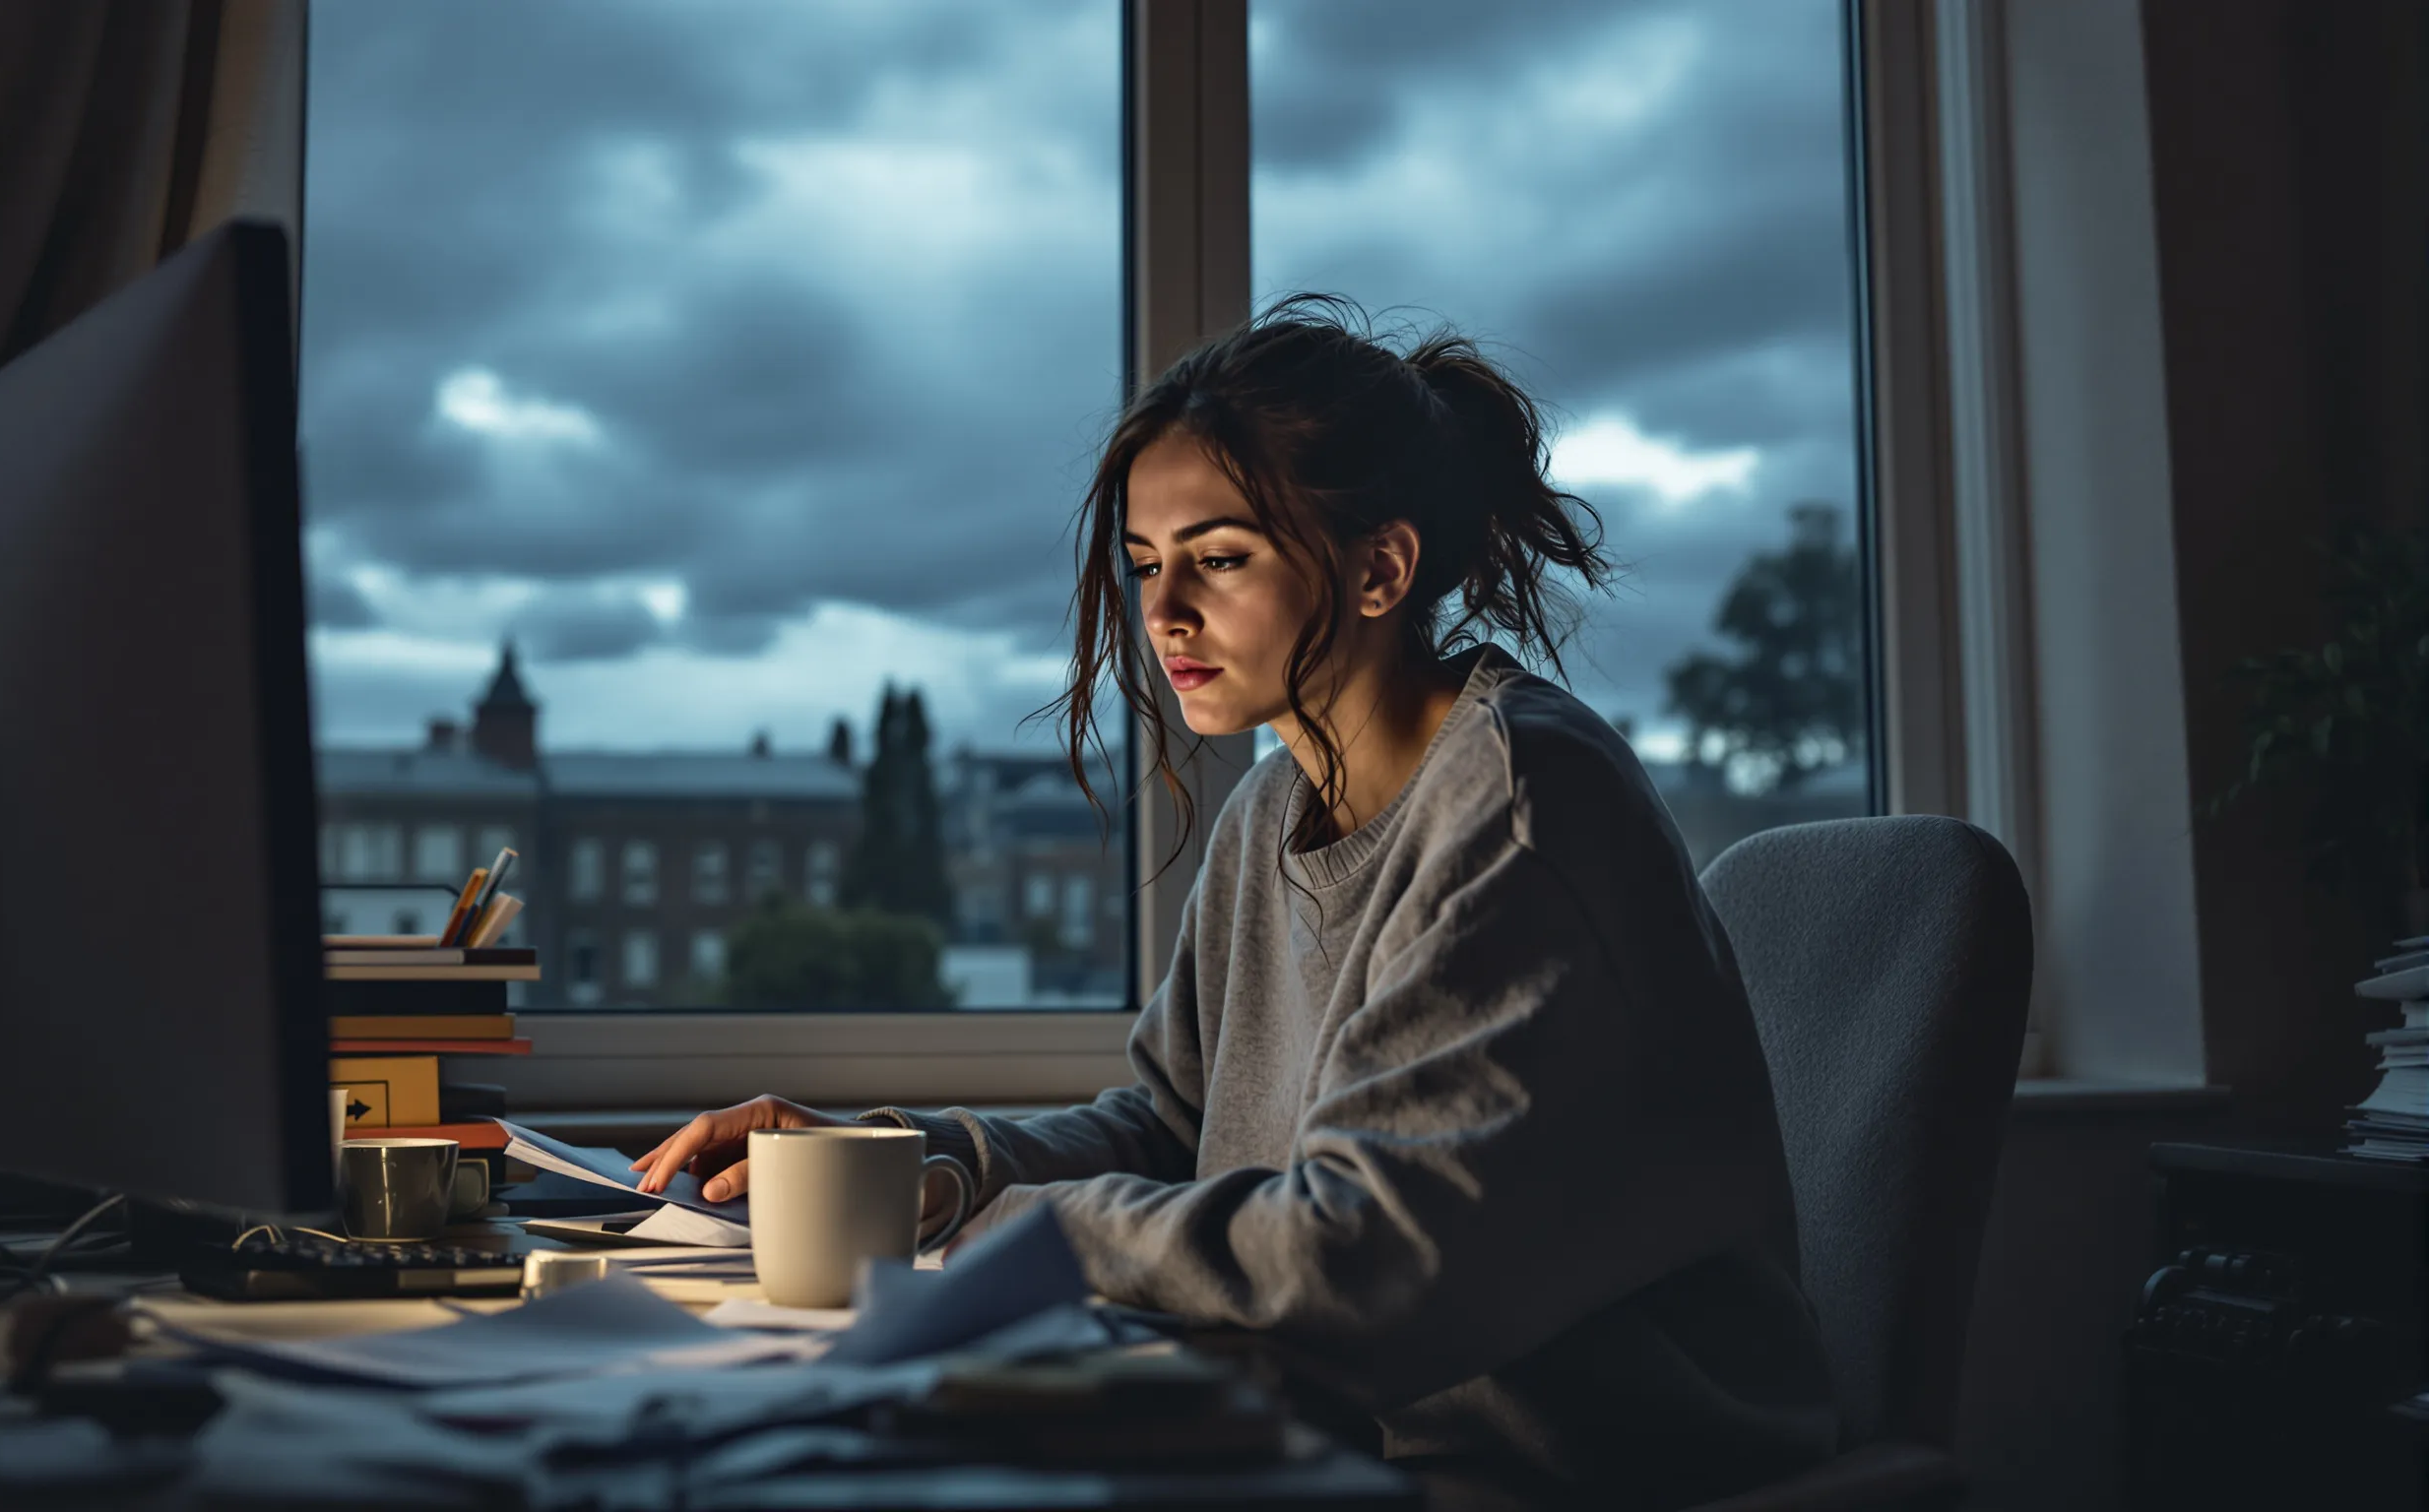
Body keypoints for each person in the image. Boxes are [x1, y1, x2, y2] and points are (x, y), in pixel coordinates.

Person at [633, 296, 1839, 1510]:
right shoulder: (1270, 810)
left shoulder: (1525, 805)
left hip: (1566, 1475)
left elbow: (1359, 1265)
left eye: (1216, 558)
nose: (1162, 615)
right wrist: (915, 1161)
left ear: (1379, 568)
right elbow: (1172, 1130)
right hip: (1321, 1437)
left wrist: (1004, 1228)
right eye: (1148, 566)